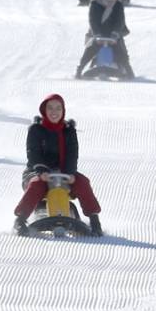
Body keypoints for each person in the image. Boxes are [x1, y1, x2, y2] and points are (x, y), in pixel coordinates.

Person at [13, 94, 103, 237]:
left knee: (83, 182)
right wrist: (41, 171)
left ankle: (94, 220)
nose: (54, 112)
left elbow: (72, 154)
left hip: (64, 172)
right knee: (37, 184)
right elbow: (33, 153)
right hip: (37, 171)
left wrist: (70, 173)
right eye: (50, 108)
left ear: (63, 111)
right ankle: (20, 220)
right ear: (44, 110)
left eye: (58, 108)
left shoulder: (68, 130)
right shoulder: (36, 129)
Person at [77, 0, 133, 79]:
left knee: (121, 51)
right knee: (91, 48)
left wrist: (115, 33)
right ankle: (79, 70)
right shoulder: (95, 4)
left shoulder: (118, 5)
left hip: (114, 35)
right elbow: (93, 20)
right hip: (97, 33)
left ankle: (129, 72)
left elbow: (120, 21)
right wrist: (97, 33)